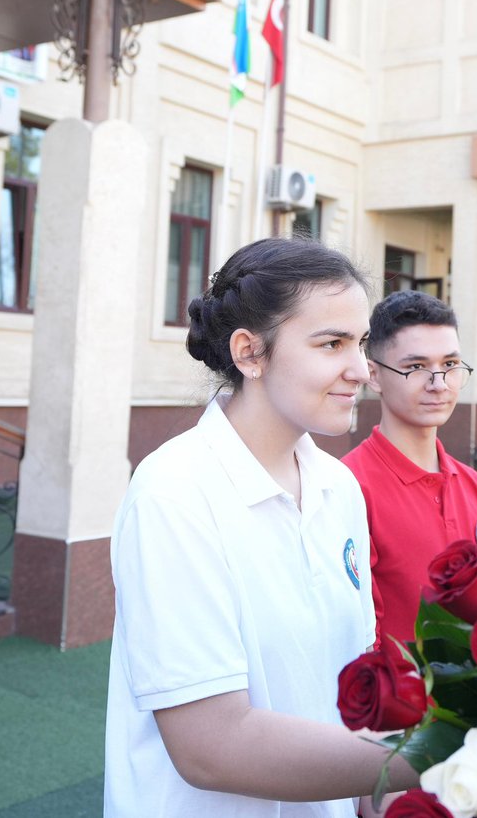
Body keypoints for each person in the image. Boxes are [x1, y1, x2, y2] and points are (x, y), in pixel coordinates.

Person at [104, 238, 416, 817]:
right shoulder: (174, 493)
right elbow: (211, 746)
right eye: (332, 344)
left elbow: (348, 689)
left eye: (362, 343)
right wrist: (430, 753)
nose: (362, 370)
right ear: (250, 353)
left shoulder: (338, 487)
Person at [343, 290, 477, 646]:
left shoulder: (476, 487)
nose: (438, 384)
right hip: (388, 695)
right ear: (374, 375)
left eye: (450, 365)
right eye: (416, 367)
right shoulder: (347, 487)